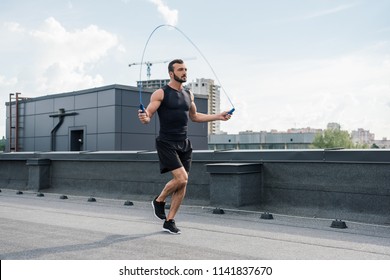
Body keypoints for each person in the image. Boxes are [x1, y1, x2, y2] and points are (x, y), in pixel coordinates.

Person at [138, 59, 232, 234]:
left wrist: (218, 116)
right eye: (180, 69)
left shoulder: (189, 94)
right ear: (171, 73)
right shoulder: (161, 93)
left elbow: (195, 116)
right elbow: (149, 113)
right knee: (182, 178)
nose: (184, 72)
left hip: (184, 143)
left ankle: (170, 220)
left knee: (182, 184)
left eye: (185, 69)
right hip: (166, 142)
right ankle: (159, 201)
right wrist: (145, 117)